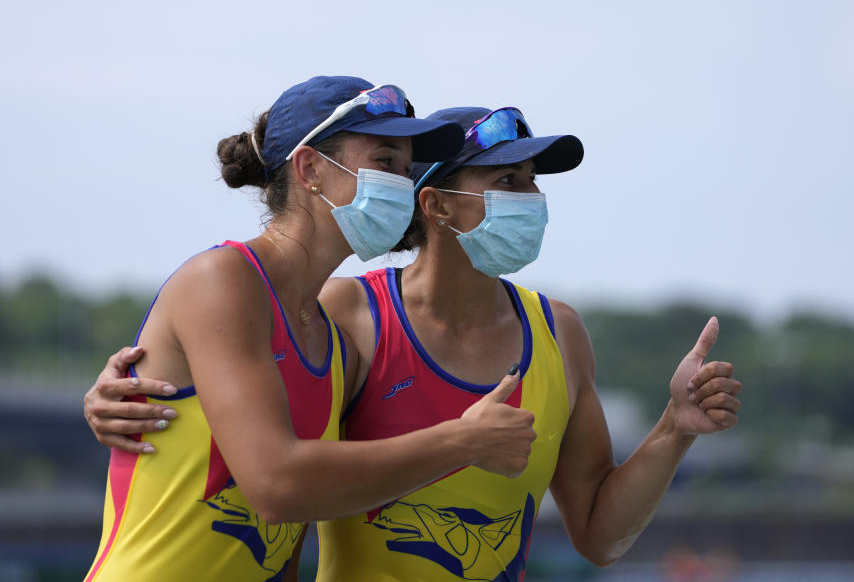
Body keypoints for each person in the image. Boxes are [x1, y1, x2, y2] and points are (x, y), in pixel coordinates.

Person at [85, 105, 743, 581]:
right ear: (437, 206)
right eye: (508, 182)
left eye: (534, 180)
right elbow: (238, 418)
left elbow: (600, 537)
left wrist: (673, 429)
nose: (534, 199)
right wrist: (112, 391)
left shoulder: (559, 334)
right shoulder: (342, 313)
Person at [83, 81, 539, 582]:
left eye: (405, 167)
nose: (402, 185)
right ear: (310, 169)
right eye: (386, 161)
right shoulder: (222, 279)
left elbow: (303, 517)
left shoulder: (332, 340)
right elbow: (277, 486)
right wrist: (463, 443)